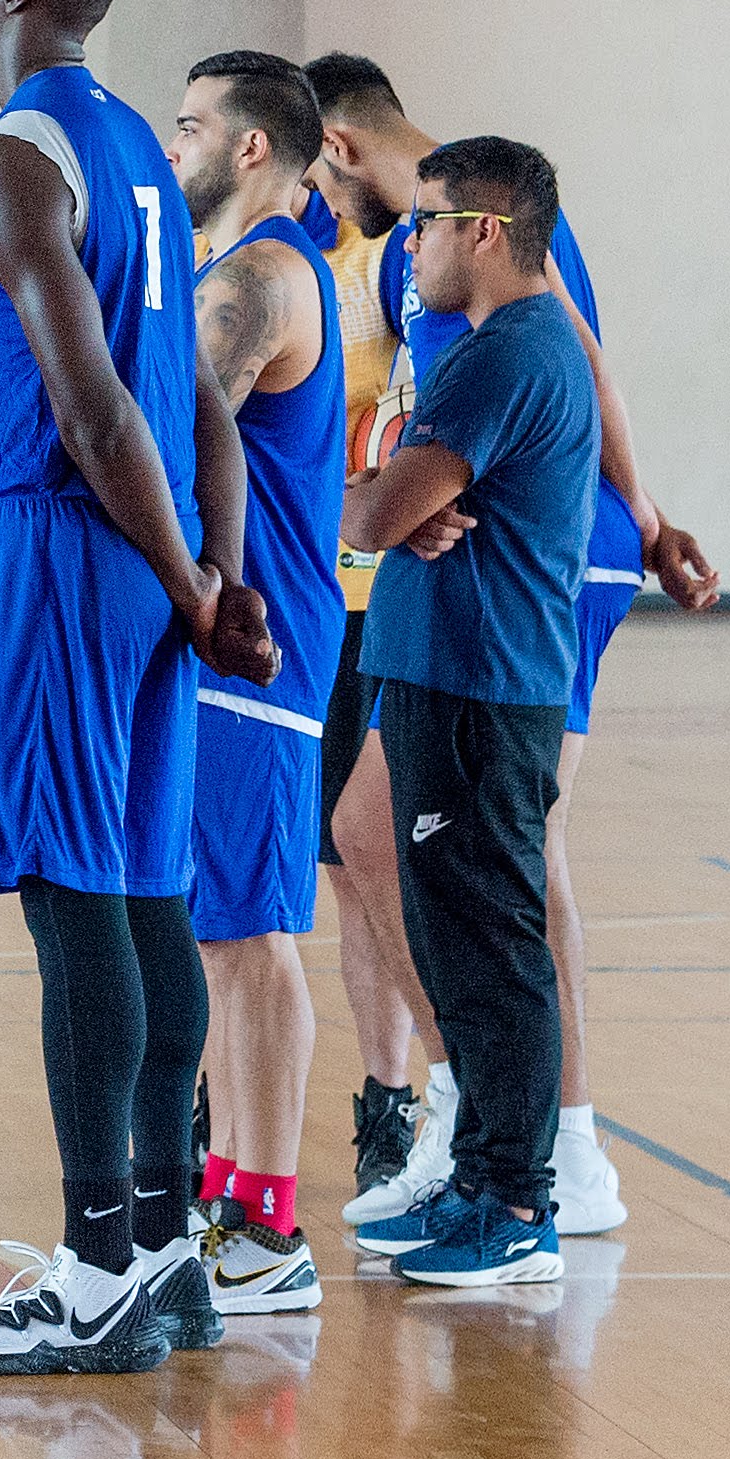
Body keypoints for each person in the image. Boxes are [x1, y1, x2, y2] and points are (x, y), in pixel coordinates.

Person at [0, 0, 275, 1379]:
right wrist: (216, 571)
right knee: (140, 898)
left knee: (79, 910)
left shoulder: (13, 160)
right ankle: (164, 1256)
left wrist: (201, 587)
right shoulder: (137, 147)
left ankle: (93, 1266)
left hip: (73, 549)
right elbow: (199, 397)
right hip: (150, 553)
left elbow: (93, 404)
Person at [308, 54, 718, 1242]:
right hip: (454, 540)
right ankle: (470, 1111)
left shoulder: (489, 256)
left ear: (337, 146)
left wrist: (644, 523)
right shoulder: (415, 259)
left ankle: (558, 1150)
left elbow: (588, 367)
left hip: (544, 541)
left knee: (509, 853)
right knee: (371, 834)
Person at [337, 139, 605, 1289]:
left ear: (483, 232)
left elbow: (379, 512)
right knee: (454, 934)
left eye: (429, 223)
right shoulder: (499, 351)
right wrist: (393, 507)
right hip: (450, 676)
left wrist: (372, 503)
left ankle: (519, 1202)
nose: (414, 246)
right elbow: (402, 509)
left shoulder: (509, 354)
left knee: (493, 948)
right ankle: (482, 1174)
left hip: (487, 687)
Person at [163, 52, 343, 1316]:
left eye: (188, 128)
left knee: (250, 938)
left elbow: (173, 430)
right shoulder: (222, 272)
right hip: (222, 636)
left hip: (254, 640)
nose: (172, 150)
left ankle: (267, 1225)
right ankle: (227, 1192)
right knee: (215, 931)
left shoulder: (263, 277)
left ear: (251, 152)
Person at [300, 162, 425, 1203]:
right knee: (328, 866)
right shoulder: (252, 256)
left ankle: (405, 1098)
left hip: (367, 598)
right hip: (287, 597)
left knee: (367, 854)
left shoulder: (386, 265)